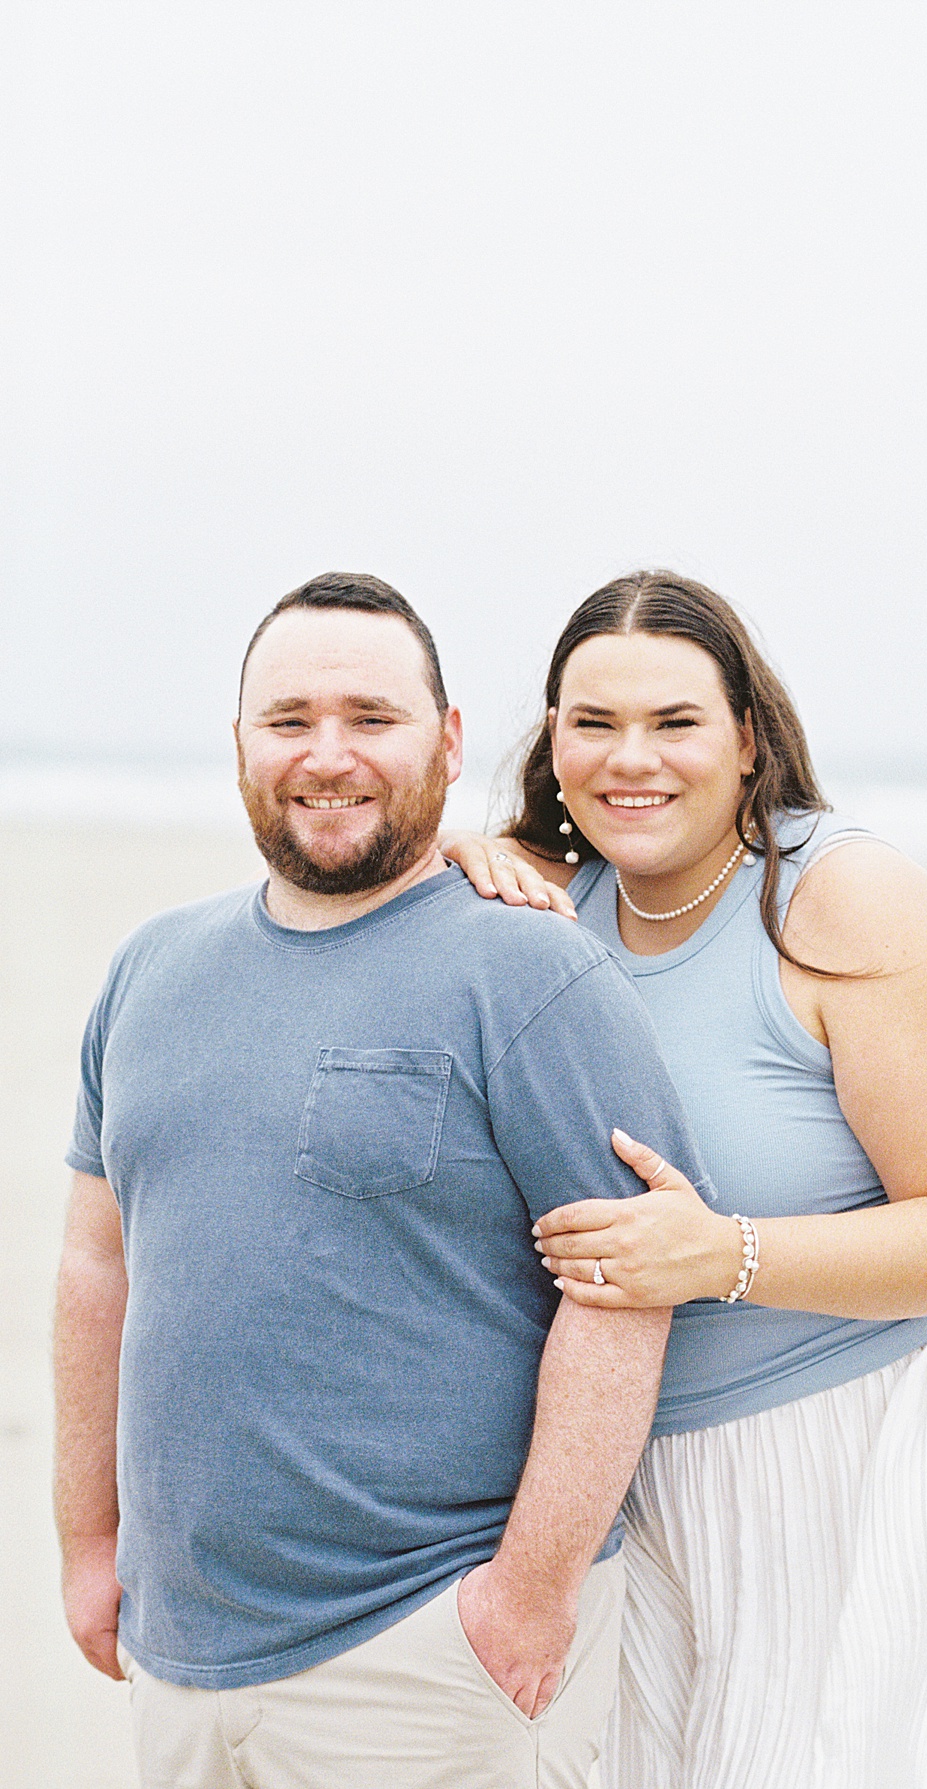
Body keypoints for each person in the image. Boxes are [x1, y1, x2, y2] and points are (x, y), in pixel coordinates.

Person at [53, 571, 718, 1789]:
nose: (329, 754)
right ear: (240, 742)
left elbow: (625, 1290)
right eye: (289, 718)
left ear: (449, 740)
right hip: (180, 1653)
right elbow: (99, 1266)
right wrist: (87, 1539)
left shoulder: (531, 975)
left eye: (373, 717)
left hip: (428, 1652)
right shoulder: (149, 970)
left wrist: (526, 1598)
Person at [443, 569, 927, 1789]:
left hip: (870, 1422)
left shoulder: (844, 900)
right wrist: (457, 854)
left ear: (747, 739)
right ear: (549, 741)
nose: (633, 759)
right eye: (593, 723)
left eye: (674, 722)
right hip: (640, 1457)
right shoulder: (549, 901)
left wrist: (722, 1254)